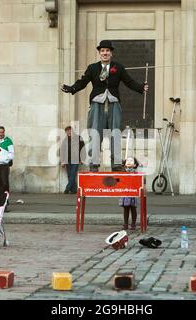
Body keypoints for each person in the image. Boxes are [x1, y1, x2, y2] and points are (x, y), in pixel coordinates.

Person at [61, 40, 149, 172]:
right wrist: (71, 88)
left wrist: (141, 88)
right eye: (102, 51)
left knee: (116, 133)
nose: (105, 53)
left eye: (107, 51)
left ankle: (117, 164)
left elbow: (129, 81)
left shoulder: (118, 67)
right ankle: (94, 164)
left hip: (114, 102)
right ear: (99, 53)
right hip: (97, 103)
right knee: (95, 133)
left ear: (111, 53)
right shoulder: (92, 68)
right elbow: (83, 82)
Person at [60, 126, 86, 194]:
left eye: (69, 130)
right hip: (67, 160)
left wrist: (82, 159)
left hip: (76, 159)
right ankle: (74, 190)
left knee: (73, 174)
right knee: (69, 175)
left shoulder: (79, 138)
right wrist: (62, 161)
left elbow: (83, 149)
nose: (68, 132)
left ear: (72, 131)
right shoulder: (65, 140)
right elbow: (62, 151)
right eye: (67, 131)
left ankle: (67, 189)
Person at [119, 157, 140, 231]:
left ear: (134, 165)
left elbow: (139, 181)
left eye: (131, 161)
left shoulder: (136, 172)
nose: (129, 162)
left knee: (133, 208)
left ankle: (133, 223)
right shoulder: (123, 172)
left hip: (133, 192)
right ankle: (125, 224)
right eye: (127, 160)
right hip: (125, 192)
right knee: (126, 208)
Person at [0, 126, 14, 196]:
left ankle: (5, 200)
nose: (0, 134)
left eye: (2, 132)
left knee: (4, 183)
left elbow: (11, 155)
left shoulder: (8, 141)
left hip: (4, 165)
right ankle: (1, 199)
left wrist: (1, 159)